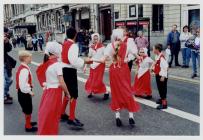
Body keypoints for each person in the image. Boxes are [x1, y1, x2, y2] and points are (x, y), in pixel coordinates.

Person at [93, 28, 140, 127]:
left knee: (116, 93)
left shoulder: (110, 45)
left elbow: (102, 60)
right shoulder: (127, 45)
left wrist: (91, 60)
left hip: (114, 71)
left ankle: (117, 116)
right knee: (127, 91)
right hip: (124, 70)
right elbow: (136, 54)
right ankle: (131, 116)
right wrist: (128, 59)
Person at [60, 27, 93, 127]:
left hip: (64, 69)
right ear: (75, 35)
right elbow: (73, 60)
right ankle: (71, 118)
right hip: (70, 70)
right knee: (73, 94)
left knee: (67, 93)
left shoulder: (65, 43)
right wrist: (84, 61)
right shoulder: (73, 45)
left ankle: (62, 113)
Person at [37, 42, 70, 135]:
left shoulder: (47, 63)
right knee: (53, 116)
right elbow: (61, 82)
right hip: (55, 92)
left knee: (46, 114)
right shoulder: (57, 64)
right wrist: (67, 93)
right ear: (56, 52)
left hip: (48, 91)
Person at [16, 50, 38, 132]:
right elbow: (23, 85)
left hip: (23, 92)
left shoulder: (23, 67)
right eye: (30, 57)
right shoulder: (24, 70)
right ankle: (28, 126)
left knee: (28, 109)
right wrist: (30, 91)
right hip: (24, 93)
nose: (31, 58)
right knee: (28, 109)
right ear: (25, 58)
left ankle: (28, 122)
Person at [84, 33, 109, 100]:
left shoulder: (102, 47)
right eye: (94, 39)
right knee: (91, 79)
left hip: (100, 65)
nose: (96, 40)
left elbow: (106, 56)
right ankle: (90, 92)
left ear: (99, 39)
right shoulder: (91, 47)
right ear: (92, 39)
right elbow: (89, 57)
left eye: (97, 39)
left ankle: (106, 92)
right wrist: (85, 66)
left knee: (98, 81)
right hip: (92, 65)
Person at [151, 44, 169, 110]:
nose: (152, 50)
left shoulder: (161, 57)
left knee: (163, 89)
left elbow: (166, 67)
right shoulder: (157, 56)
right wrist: (153, 68)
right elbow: (156, 63)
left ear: (157, 50)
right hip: (158, 74)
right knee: (159, 88)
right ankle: (161, 99)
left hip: (162, 75)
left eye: (153, 49)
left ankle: (164, 104)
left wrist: (163, 76)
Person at [4, 27, 16, 104]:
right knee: (4, 80)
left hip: (5, 62)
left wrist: (7, 42)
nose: (7, 34)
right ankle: (4, 96)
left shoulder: (5, 39)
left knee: (9, 79)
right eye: (5, 33)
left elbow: (9, 49)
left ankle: (5, 93)